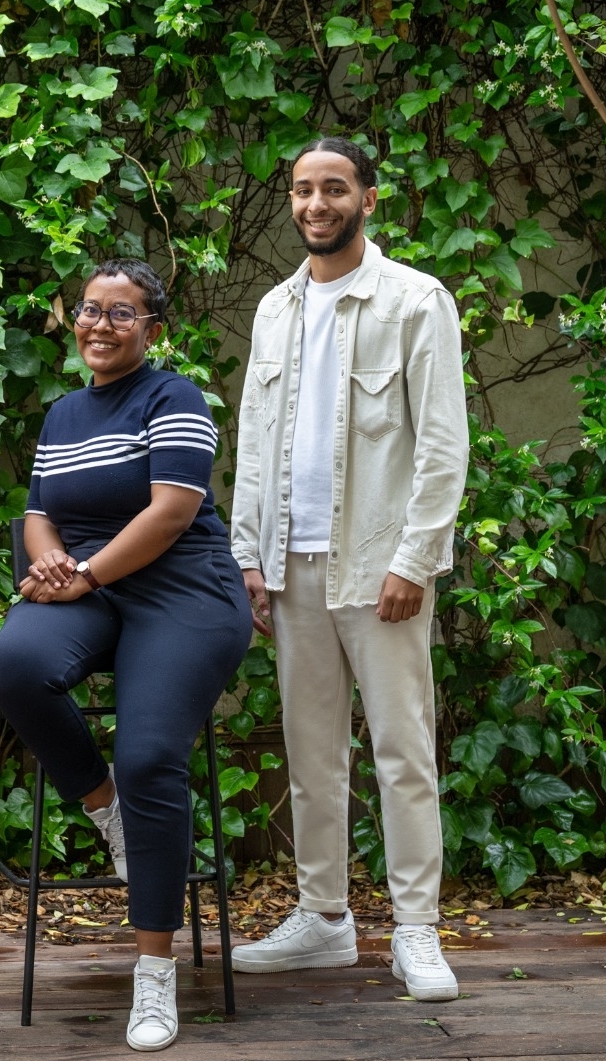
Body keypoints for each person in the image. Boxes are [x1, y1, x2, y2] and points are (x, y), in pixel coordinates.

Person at [0, 258, 252, 1053]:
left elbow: (171, 513)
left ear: (152, 329)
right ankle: (109, 813)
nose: (99, 325)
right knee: (14, 666)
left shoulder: (174, 397)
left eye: (121, 312)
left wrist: (86, 574)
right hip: (89, 585)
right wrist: (50, 563)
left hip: (181, 589)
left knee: (148, 758)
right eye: (89, 309)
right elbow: (39, 512)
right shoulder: (64, 412)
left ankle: (154, 971)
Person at [227, 136, 469, 1003]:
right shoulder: (274, 308)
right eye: (302, 190)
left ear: (368, 198)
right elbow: (255, 443)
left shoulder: (414, 301)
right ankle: (322, 919)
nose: (315, 204)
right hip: (289, 568)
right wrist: (247, 555)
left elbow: (442, 446)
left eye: (333, 188)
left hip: (378, 568)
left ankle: (415, 930)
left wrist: (414, 559)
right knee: (310, 754)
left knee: (402, 751)